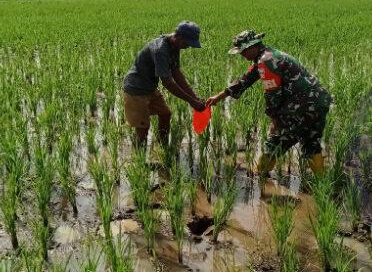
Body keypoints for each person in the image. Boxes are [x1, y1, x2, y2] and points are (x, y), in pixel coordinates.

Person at [206, 30, 332, 176]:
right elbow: (245, 79)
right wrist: (220, 96)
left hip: (301, 105)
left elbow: (273, 94)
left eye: (243, 51)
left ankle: (258, 176)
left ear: (252, 47)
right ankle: (322, 181)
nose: (242, 55)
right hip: (319, 101)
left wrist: (275, 119)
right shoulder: (268, 55)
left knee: (275, 141)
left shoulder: (266, 61)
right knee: (311, 142)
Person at [123, 20, 206, 148]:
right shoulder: (160, 50)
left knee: (165, 114)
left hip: (149, 87)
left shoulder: (174, 46)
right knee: (142, 127)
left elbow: (176, 73)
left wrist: (194, 97)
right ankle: (139, 160)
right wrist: (191, 101)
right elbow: (168, 83)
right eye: (186, 43)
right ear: (178, 36)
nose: (187, 46)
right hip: (136, 89)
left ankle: (163, 147)